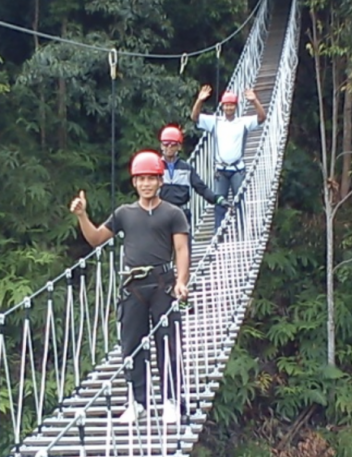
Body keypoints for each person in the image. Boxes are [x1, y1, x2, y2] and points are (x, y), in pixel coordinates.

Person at [70, 150, 190, 424]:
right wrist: (82, 216)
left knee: (168, 343)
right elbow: (97, 239)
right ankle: (137, 401)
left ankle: (171, 400)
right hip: (132, 286)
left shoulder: (173, 213)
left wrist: (182, 281)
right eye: (141, 179)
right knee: (131, 346)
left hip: (163, 284)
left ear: (160, 181)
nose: (146, 183)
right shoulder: (124, 213)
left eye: (151, 178)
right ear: (134, 182)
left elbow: (182, 249)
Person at [190, 85, 267, 232]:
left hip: (238, 169)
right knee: (219, 201)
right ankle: (219, 233)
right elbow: (195, 117)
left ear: (236, 107)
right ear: (222, 106)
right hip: (221, 170)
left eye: (231, 105)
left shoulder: (243, 122)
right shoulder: (215, 121)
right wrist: (199, 100)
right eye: (226, 105)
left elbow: (262, 118)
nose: (229, 108)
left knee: (240, 201)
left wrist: (254, 101)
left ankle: (241, 230)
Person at [157, 124, 226, 258]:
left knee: (184, 251)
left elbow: (201, 188)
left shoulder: (187, 168)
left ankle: (184, 277)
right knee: (161, 251)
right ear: (161, 146)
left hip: (181, 212)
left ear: (179, 147)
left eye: (173, 144)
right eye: (165, 144)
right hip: (161, 212)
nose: (169, 148)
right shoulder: (155, 167)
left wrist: (217, 199)